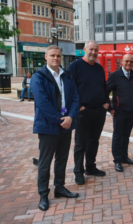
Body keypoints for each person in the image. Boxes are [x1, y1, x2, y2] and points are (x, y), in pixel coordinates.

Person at [30, 45, 80, 211]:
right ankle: (43, 194)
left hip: (66, 124)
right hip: (48, 126)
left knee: (62, 159)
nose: (56, 59)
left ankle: (60, 188)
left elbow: (75, 98)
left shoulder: (67, 75)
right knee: (45, 163)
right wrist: (61, 120)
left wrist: (71, 117)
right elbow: (42, 103)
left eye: (58, 56)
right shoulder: (39, 77)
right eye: (52, 56)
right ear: (46, 56)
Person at [68, 40, 110, 185]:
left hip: (99, 110)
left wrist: (106, 103)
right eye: (91, 49)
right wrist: (78, 106)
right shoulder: (75, 66)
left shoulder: (99, 68)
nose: (93, 52)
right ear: (85, 49)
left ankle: (90, 167)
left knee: (94, 141)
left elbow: (104, 87)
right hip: (83, 111)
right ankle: (78, 171)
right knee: (80, 143)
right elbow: (69, 88)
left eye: (96, 50)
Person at [107, 54, 133, 172]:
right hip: (119, 112)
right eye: (126, 61)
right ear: (122, 62)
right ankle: (117, 160)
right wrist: (110, 109)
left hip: (131, 111)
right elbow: (105, 92)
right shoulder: (114, 76)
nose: (129, 63)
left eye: (131, 62)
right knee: (117, 136)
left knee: (126, 136)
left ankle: (124, 157)